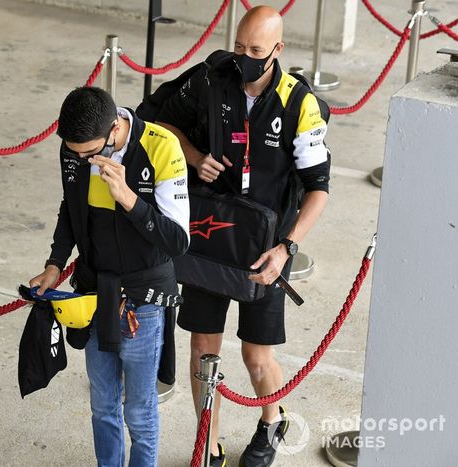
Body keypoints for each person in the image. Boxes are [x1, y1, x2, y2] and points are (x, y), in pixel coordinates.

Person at [156, 6, 330, 467]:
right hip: (211, 232)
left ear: (278, 50)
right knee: (202, 346)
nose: (244, 57)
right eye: (239, 47)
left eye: (255, 51)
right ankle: (208, 442)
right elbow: (159, 120)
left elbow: (318, 190)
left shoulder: (299, 103)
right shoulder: (211, 78)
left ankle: (272, 421)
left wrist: (286, 248)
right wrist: (193, 156)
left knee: (257, 356)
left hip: (268, 245)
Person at [28, 86, 190, 467]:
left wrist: (129, 198)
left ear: (115, 128)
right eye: (74, 153)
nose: (82, 160)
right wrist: (55, 263)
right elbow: (70, 208)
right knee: (102, 406)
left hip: (143, 299)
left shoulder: (161, 147)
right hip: (94, 292)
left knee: (139, 410)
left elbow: (177, 241)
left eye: (90, 153)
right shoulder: (75, 148)